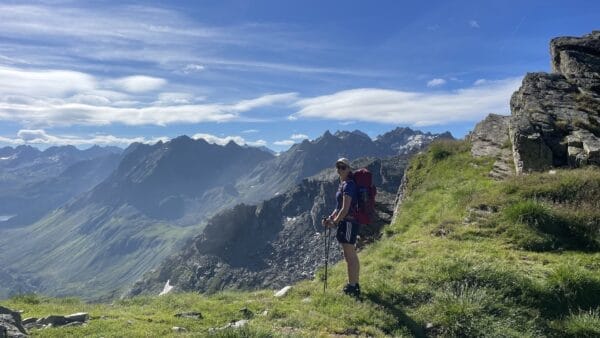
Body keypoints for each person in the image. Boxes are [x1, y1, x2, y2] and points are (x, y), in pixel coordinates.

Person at [322, 157, 361, 298]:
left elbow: (345, 209)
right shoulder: (343, 184)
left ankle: (353, 287)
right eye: (338, 166)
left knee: (350, 256)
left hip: (349, 223)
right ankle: (353, 284)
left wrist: (335, 222)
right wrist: (331, 218)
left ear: (349, 169)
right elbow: (338, 208)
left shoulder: (349, 185)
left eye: (343, 167)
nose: (339, 170)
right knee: (348, 255)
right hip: (345, 223)